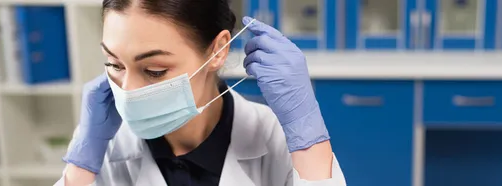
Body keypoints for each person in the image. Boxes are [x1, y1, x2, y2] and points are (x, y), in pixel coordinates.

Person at [56, 0, 346, 185]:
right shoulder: (106, 147)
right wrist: (80, 169)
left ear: (218, 50)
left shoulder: (273, 139)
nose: (128, 91)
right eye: (114, 64)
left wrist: (310, 144)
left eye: (154, 70)